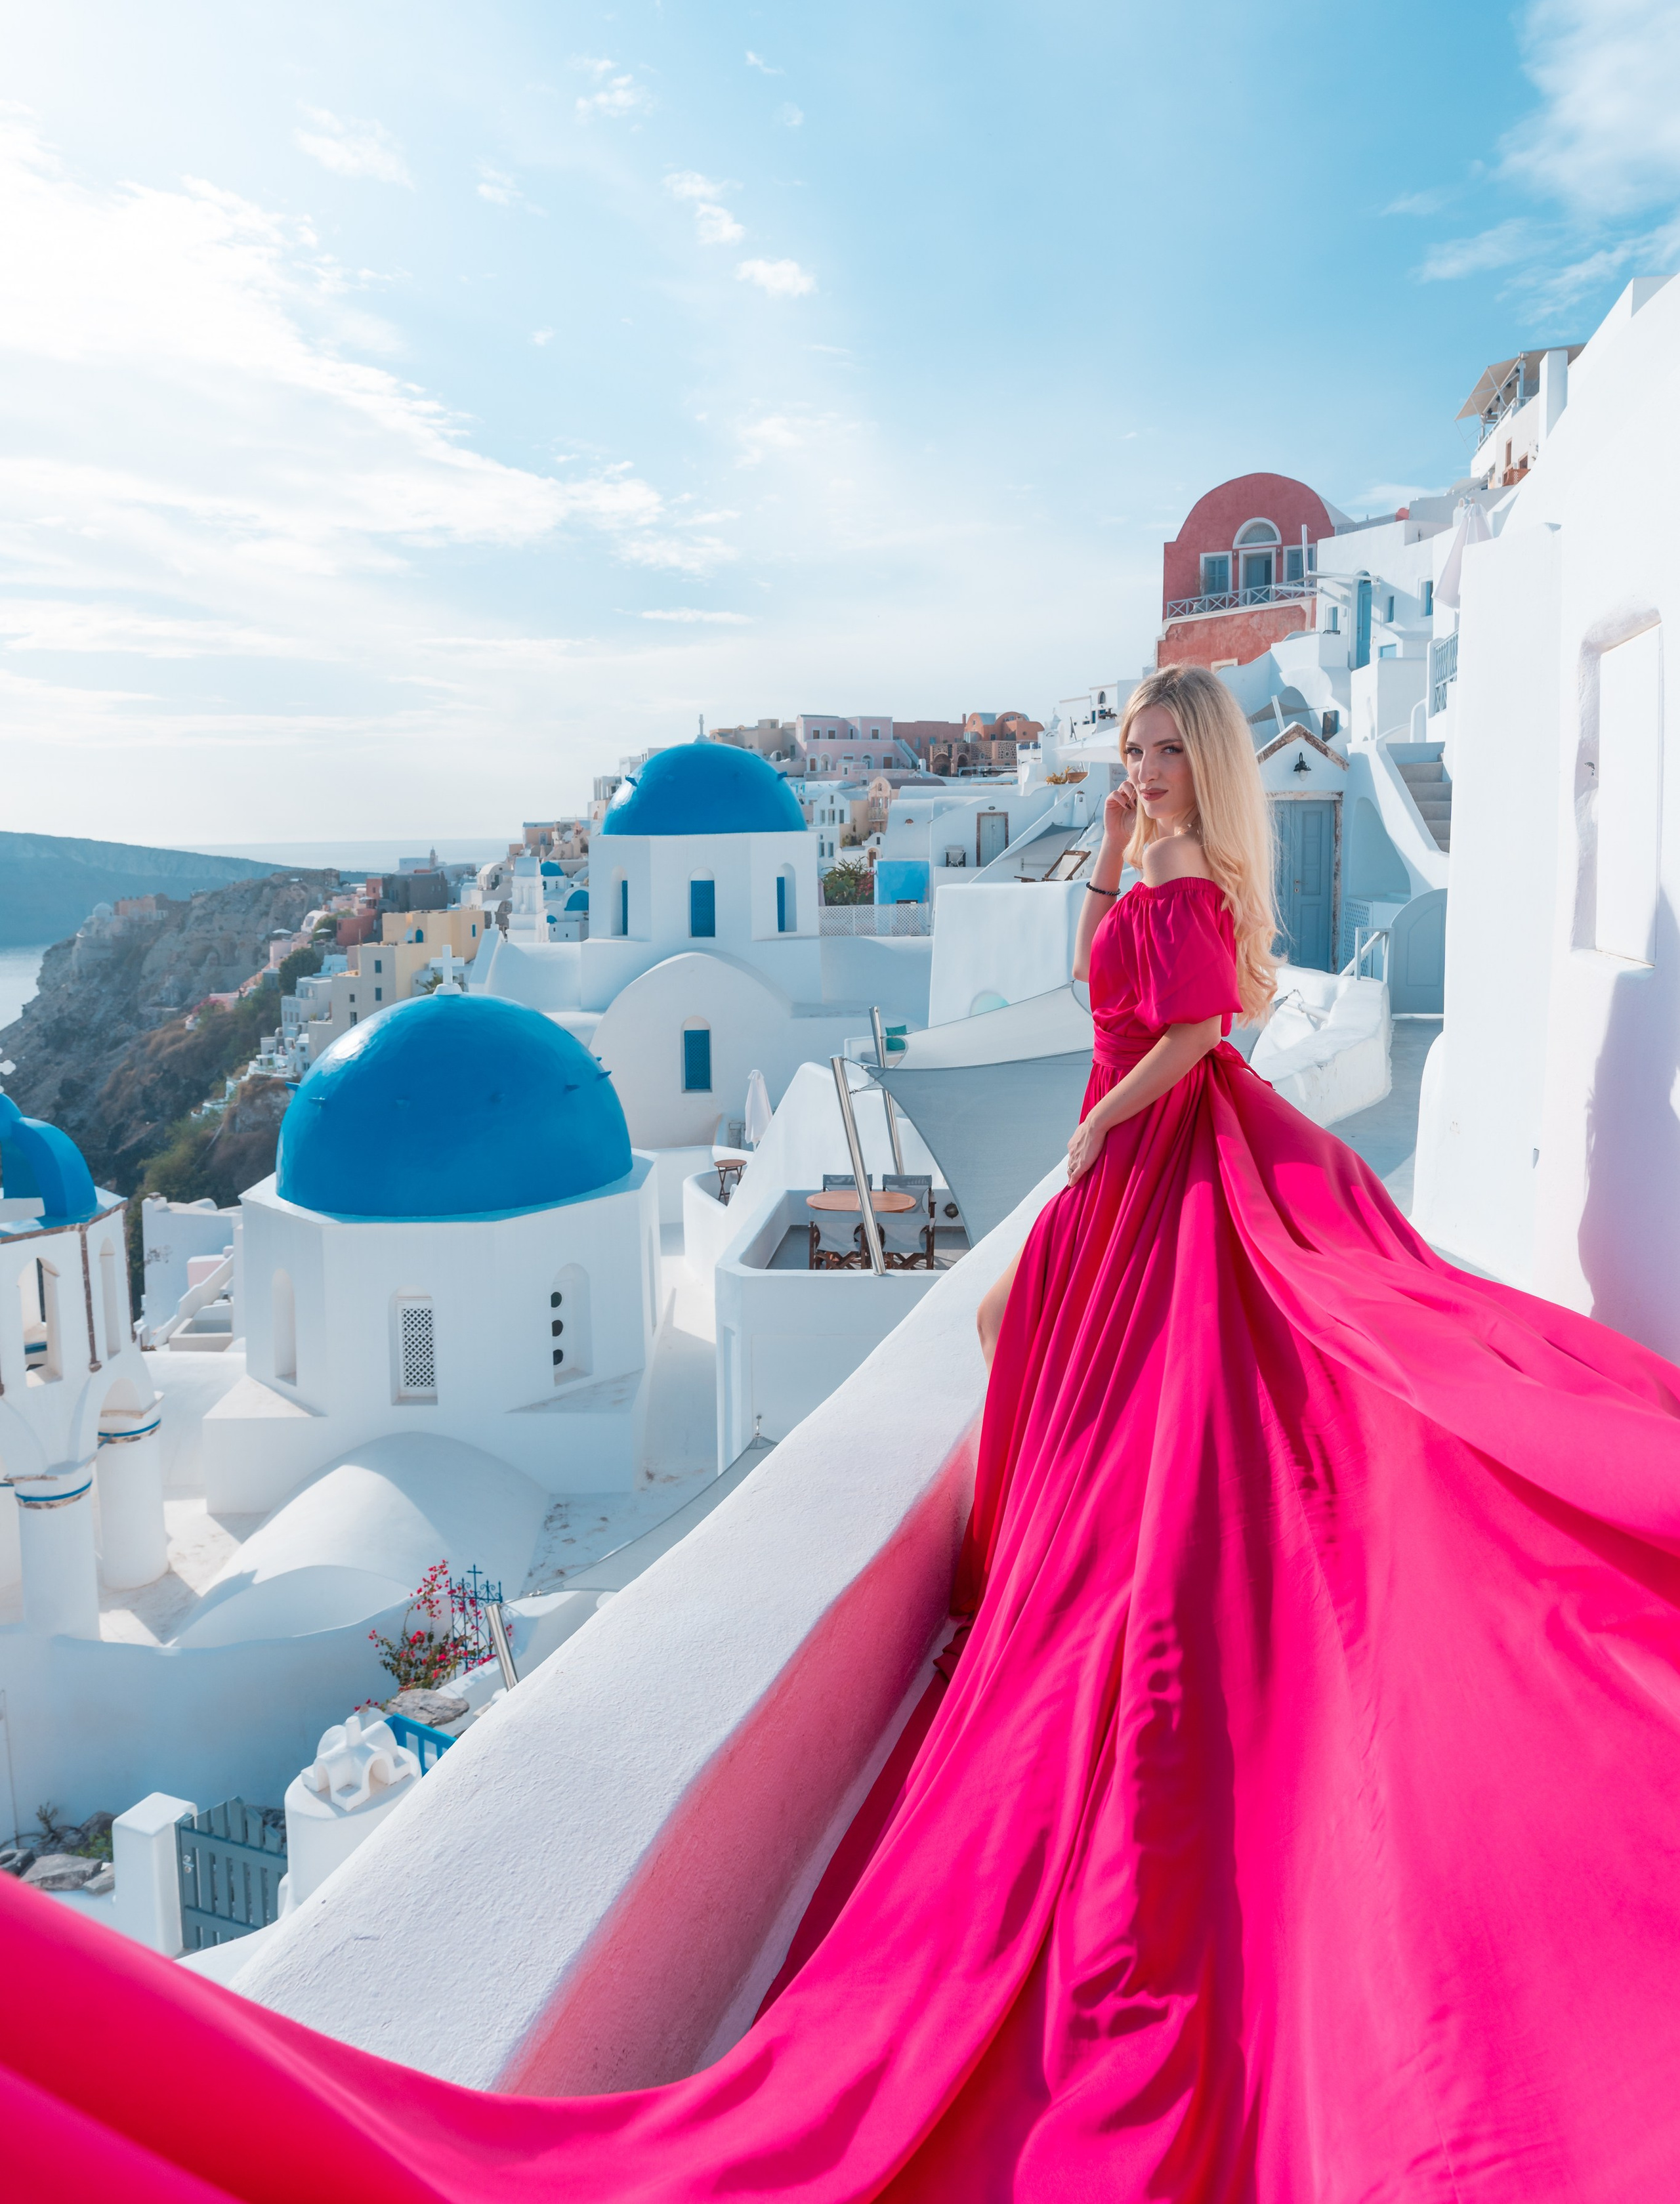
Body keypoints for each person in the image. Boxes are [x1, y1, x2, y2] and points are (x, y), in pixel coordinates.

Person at [7, 661, 1680, 2200]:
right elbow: (1134, 958)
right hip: (1123, 1162)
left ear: (1212, 761)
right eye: (1140, 746)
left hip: (1139, 1157)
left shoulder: (1186, 879)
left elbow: (1194, 1024)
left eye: (1171, 750)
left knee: (1138, 1400)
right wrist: (1104, 852)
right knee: (1037, 1354)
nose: (1148, 765)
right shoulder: (1146, 859)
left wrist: (1095, 1120)